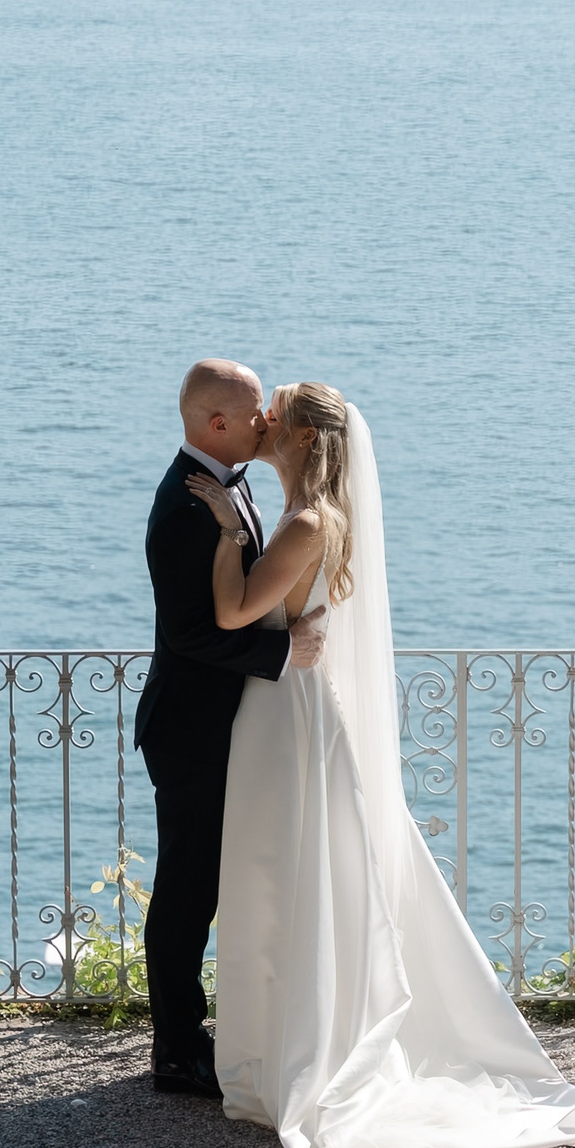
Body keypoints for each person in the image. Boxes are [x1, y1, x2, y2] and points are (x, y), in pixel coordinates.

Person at [182, 380, 575, 1148]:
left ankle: (289, 1050)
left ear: (297, 437)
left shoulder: (302, 523)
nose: (261, 422)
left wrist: (225, 531)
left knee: (281, 874)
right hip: (285, 707)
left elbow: (229, 614)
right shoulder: (318, 516)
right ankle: (272, 1043)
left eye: (273, 412)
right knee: (279, 874)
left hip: (285, 715)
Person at [133, 359, 327, 1097]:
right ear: (218, 423)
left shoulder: (227, 485)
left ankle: (197, 1031)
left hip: (226, 723)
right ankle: (178, 1048)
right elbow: (189, 635)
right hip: (191, 727)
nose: (266, 424)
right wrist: (284, 650)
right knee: (187, 888)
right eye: (254, 416)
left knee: (207, 881)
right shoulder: (185, 505)